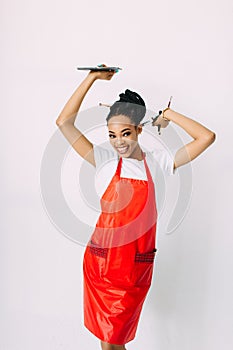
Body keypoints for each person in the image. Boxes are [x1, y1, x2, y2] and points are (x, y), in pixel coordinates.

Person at [56, 64, 216, 350]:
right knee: (109, 343)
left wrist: (167, 115)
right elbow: (64, 123)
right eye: (112, 134)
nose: (118, 142)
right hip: (101, 268)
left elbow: (206, 137)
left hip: (133, 269)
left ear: (140, 130)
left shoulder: (156, 161)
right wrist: (91, 78)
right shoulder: (104, 159)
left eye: (126, 134)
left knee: (114, 342)